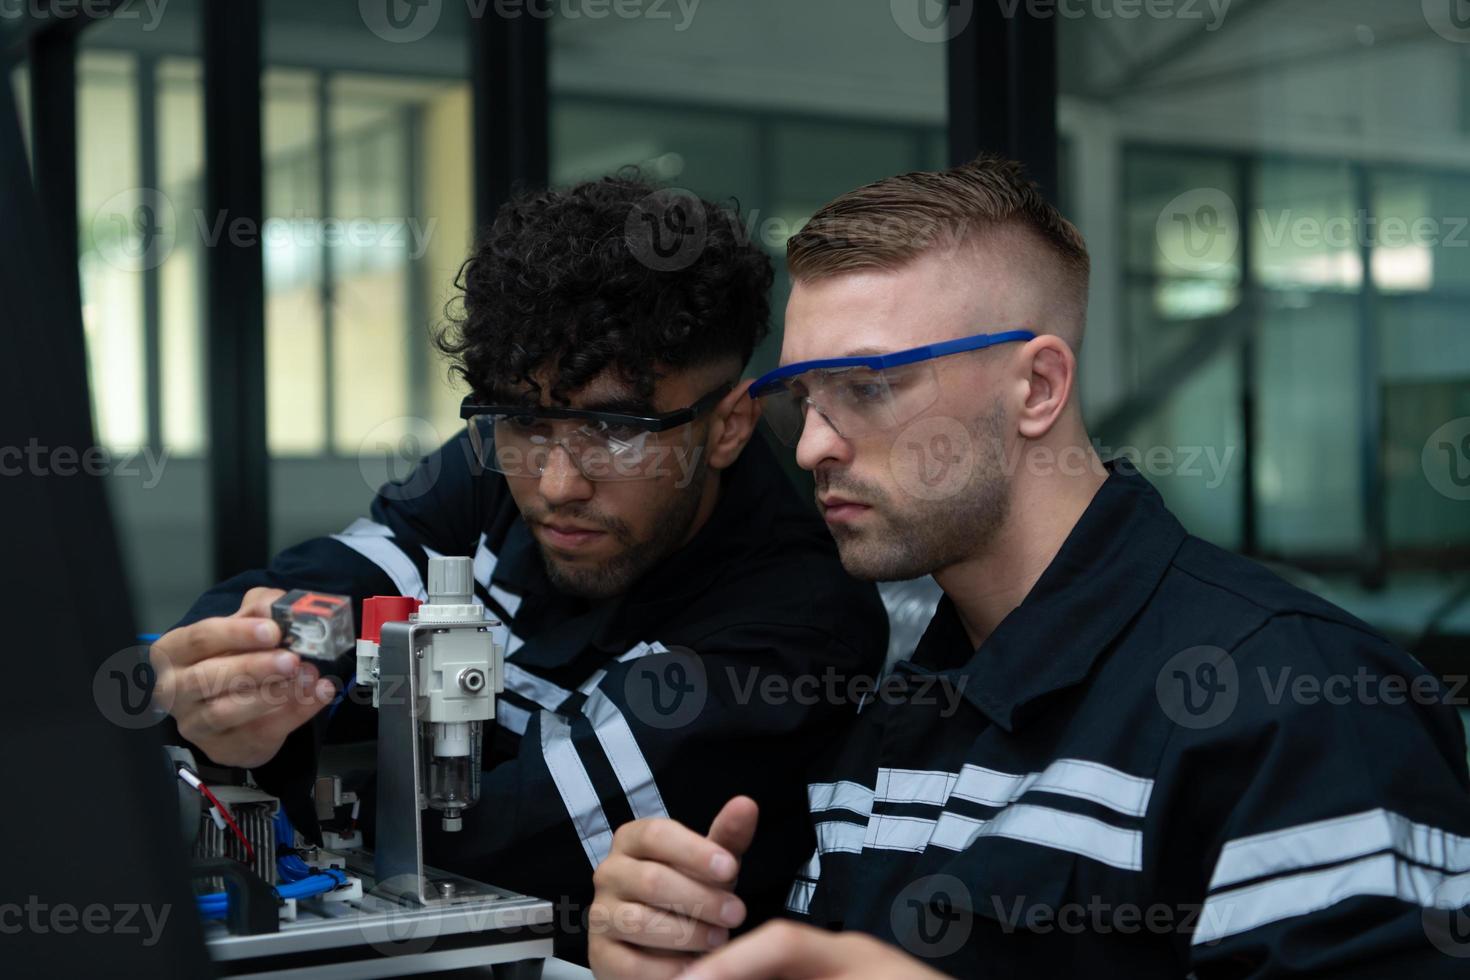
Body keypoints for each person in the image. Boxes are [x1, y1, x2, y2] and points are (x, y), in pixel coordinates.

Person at [587, 156, 1470, 978]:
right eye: (804, 399)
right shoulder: (900, 710)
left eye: (868, 386)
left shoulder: (1299, 700)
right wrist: (693, 954)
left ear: (1039, 389)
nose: (815, 443)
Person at [149, 174, 888, 962]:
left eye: (617, 431)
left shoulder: (797, 619)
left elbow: (494, 851)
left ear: (731, 425)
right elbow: (303, 595)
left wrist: (277, 767)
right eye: (528, 422)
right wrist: (231, 673)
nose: (559, 485)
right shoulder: (498, 467)